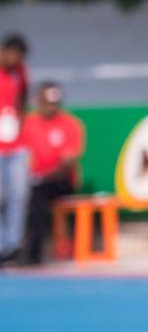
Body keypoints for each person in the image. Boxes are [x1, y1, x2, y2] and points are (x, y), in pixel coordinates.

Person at [19, 83, 84, 265]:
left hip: (60, 182)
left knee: (38, 195)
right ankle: (18, 250)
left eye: (54, 103)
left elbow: (67, 163)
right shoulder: (28, 124)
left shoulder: (70, 124)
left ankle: (39, 254)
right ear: (38, 101)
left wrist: (41, 177)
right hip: (33, 182)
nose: (50, 107)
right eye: (47, 103)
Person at [0, 38, 27, 266]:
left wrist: (20, 121)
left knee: (18, 196)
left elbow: (24, 96)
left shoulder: (20, 72)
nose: (15, 59)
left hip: (16, 145)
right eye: (12, 54)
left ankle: (13, 245)